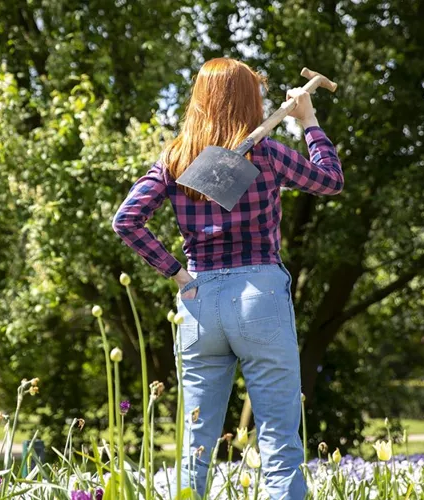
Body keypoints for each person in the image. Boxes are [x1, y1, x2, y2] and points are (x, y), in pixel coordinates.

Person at [112, 57, 343, 499]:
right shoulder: (268, 152)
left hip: (199, 301)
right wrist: (309, 120)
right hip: (260, 296)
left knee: (194, 448)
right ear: (246, 101)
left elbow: (127, 221)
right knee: (278, 441)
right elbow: (330, 181)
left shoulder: (177, 156)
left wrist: (178, 275)